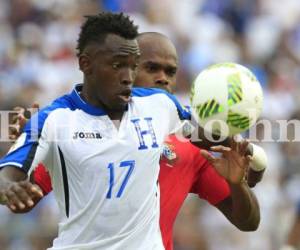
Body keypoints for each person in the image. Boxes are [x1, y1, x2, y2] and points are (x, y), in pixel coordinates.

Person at [2, 30, 264, 250]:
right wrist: (30, 152)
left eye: (170, 72)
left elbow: (248, 222)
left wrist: (238, 184)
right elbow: (23, 202)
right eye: (151, 68)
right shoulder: (75, 131)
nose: (163, 77)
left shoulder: (192, 146)